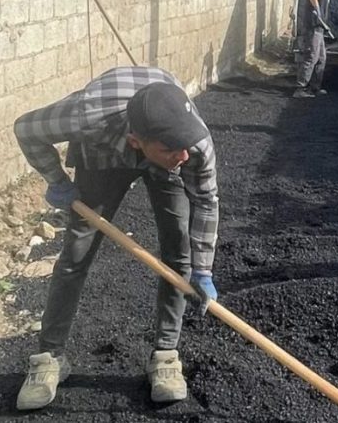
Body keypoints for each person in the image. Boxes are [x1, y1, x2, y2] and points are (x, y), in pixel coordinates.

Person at [12, 66, 219, 410]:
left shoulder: (190, 144)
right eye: (173, 148)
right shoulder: (86, 115)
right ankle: (49, 357)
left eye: (185, 146)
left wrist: (204, 272)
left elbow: (206, 201)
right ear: (138, 142)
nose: (183, 155)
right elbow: (26, 129)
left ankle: (166, 356)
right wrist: (57, 180)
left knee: (179, 252)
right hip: (103, 151)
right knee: (76, 252)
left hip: (152, 151)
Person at [294, 0, 338, 98]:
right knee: (312, 57)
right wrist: (317, 8)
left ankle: (315, 88)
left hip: (319, 29)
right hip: (313, 28)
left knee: (321, 58)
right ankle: (300, 89)